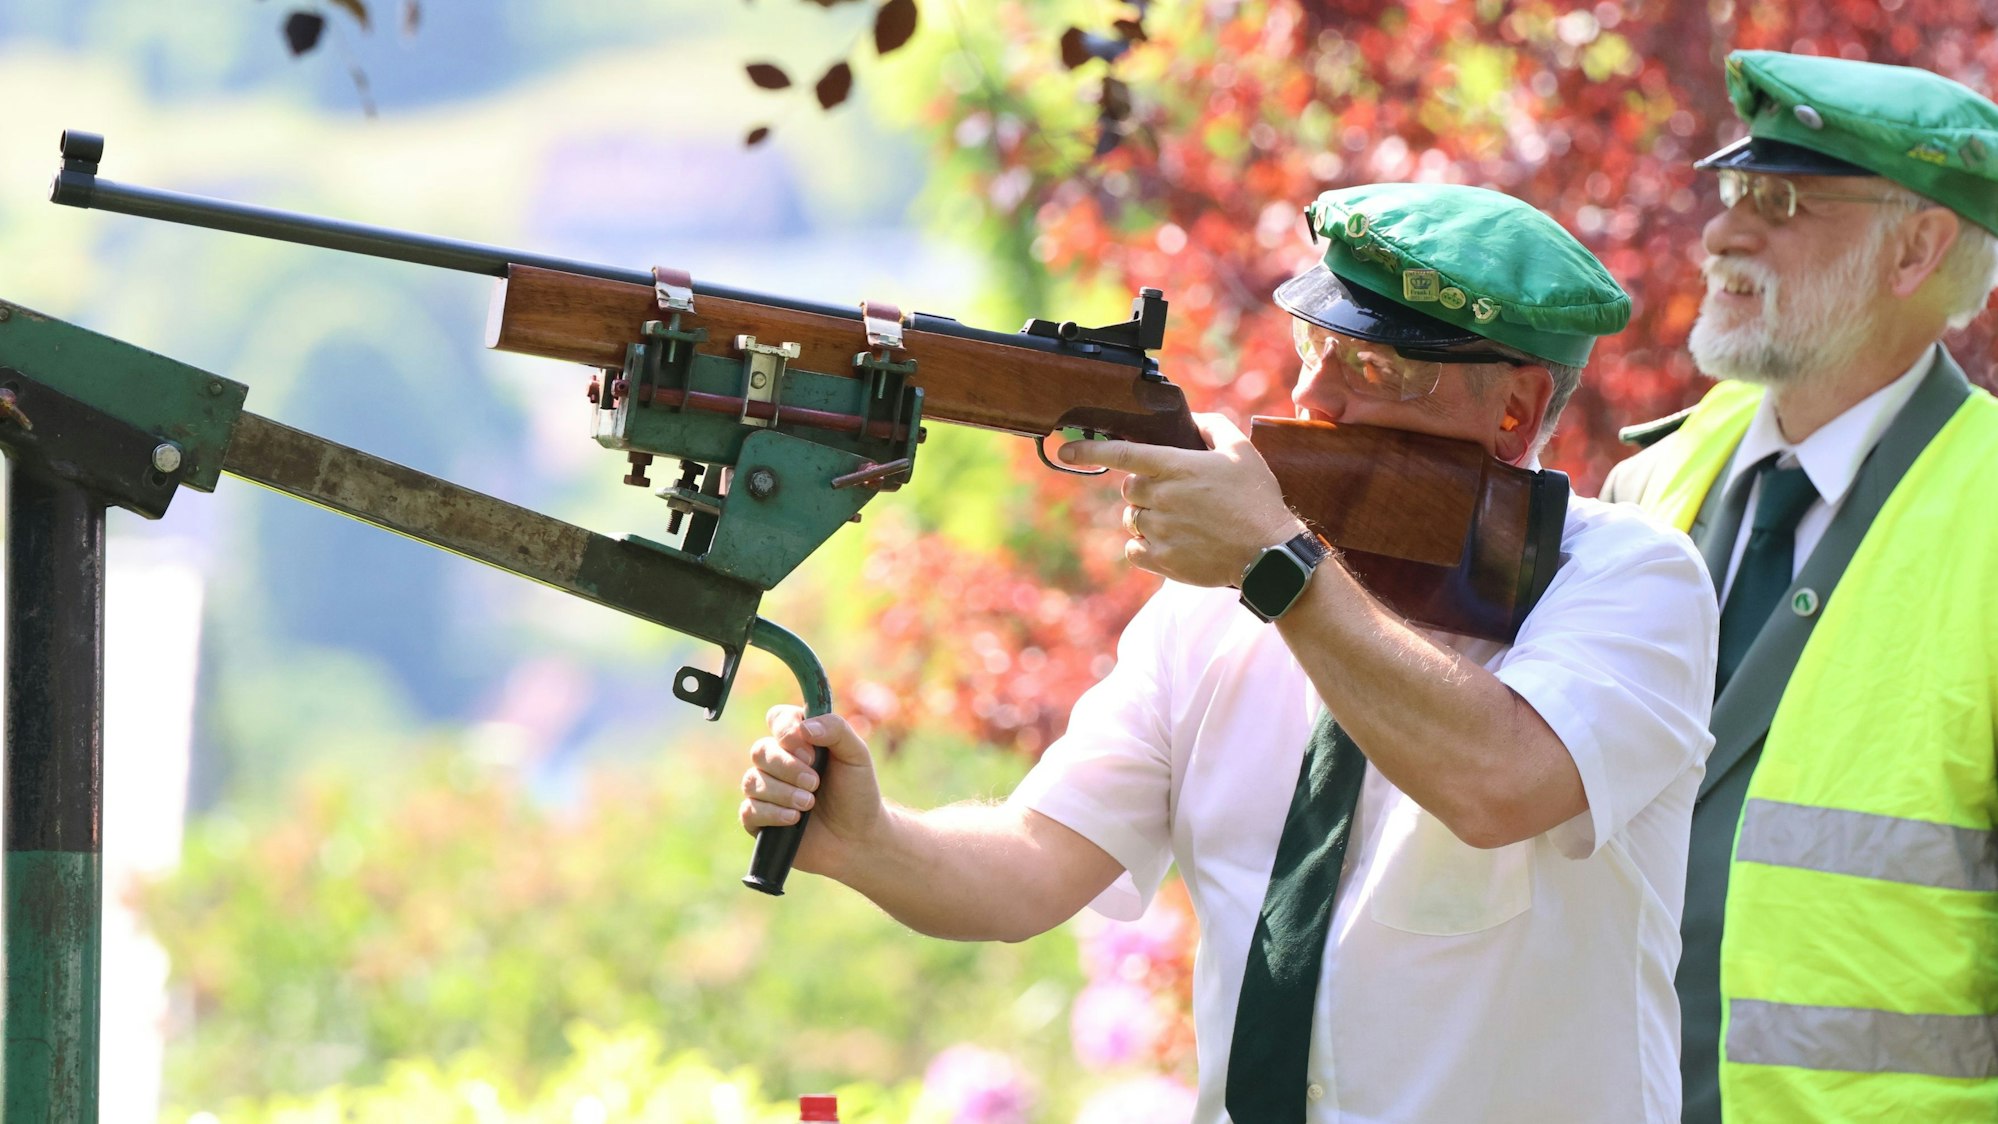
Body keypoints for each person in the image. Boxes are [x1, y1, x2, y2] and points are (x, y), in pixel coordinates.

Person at [744, 183, 1717, 1123]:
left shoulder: (1633, 580)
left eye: (1371, 366)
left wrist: (1277, 563)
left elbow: (1499, 781)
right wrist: (870, 838)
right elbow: (1032, 866)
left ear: (1514, 409)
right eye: (1314, 344)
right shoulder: (1216, 603)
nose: (1309, 391)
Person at [1600, 50, 1998, 1123]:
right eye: (1733, 192)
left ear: (1917, 247)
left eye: (1781, 202)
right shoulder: (1651, 479)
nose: (1723, 233)